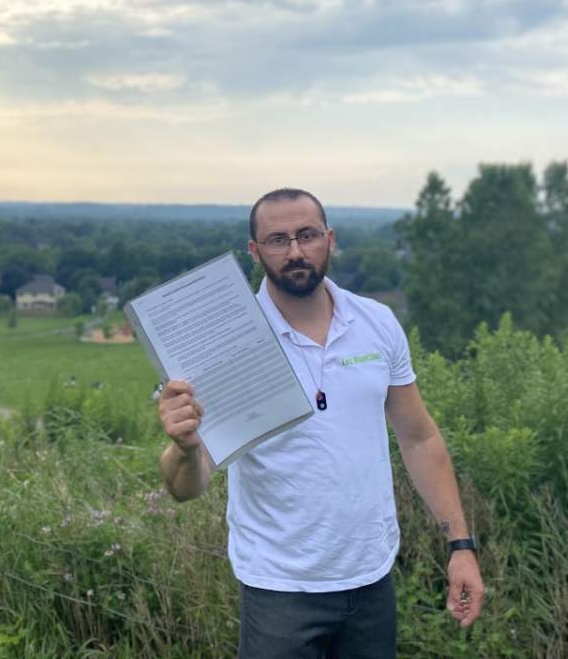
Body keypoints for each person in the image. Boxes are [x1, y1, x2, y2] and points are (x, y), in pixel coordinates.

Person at [157, 187, 484, 658]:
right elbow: (187, 485)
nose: (295, 251)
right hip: (278, 590)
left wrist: (460, 545)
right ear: (254, 252)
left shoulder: (377, 323)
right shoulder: (226, 348)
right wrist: (184, 448)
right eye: (277, 240)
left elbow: (419, 439)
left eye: (307, 235)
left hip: (371, 580)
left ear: (329, 239)